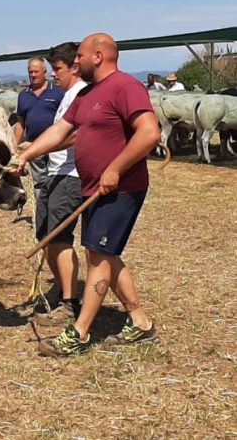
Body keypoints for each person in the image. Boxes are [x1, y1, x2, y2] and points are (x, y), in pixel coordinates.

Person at [14, 32, 160, 357]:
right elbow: (59, 131)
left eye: (80, 56)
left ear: (98, 55)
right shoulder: (87, 94)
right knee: (106, 255)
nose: (75, 61)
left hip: (120, 187)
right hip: (94, 187)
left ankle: (78, 333)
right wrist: (26, 155)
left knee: (97, 256)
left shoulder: (125, 86)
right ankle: (140, 321)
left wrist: (115, 168)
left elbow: (149, 132)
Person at [33, 42, 87, 326]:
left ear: (74, 68)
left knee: (61, 239)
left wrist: (38, 149)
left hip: (70, 175)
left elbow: (74, 135)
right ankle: (61, 294)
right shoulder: (67, 95)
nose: (54, 75)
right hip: (54, 173)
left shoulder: (79, 94)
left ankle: (69, 302)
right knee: (47, 237)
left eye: (57, 69)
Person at [14, 57, 65, 199]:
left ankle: (54, 212)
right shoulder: (23, 95)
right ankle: (41, 215)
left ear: (45, 72)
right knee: (38, 182)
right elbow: (20, 124)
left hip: (56, 145)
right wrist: (14, 147)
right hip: (33, 145)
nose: (33, 75)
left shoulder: (58, 92)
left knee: (56, 179)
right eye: (30, 72)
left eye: (36, 71)